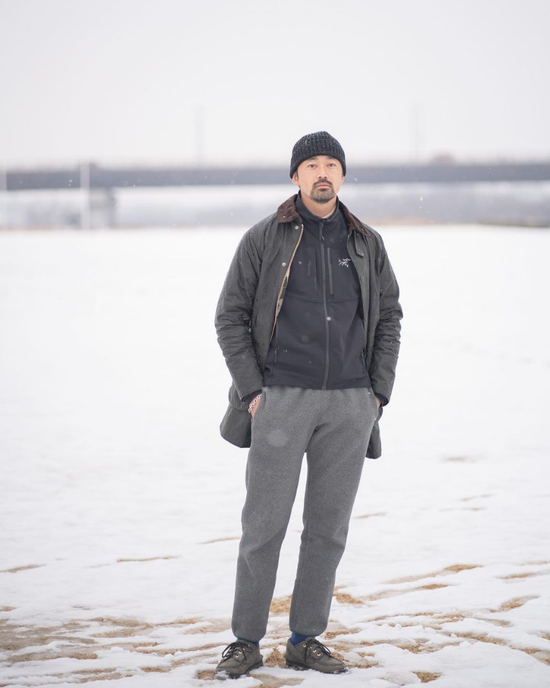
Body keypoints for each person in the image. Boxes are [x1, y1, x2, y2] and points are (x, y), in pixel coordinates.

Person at [214, 131, 402, 678]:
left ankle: (305, 640)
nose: (323, 173)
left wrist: (377, 394)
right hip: (281, 399)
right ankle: (245, 642)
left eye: (332, 164)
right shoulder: (263, 238)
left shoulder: (366, 242)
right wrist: (253, 392)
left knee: (327, 530)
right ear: (295, 176)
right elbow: (229, 317)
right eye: (312, 165)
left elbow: (389, 316)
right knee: (264, 527)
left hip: (349, 404)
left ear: (342, 174)